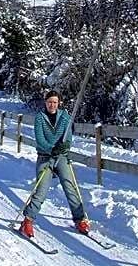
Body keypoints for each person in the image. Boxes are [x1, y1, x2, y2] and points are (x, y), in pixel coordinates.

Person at [19, 90, 90, 238]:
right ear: (46, 102)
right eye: (50, 102)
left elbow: (68, 138)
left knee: (70, 185)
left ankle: (80, 219)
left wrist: (63, 147)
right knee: (41, 190)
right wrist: (51, 148)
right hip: (45, 157)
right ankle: (28, 220)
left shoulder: (65, 117)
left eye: (55, 102)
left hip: (61, 157)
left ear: (59, 103)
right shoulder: (40, 118)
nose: (52, 105)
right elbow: (40, 140)